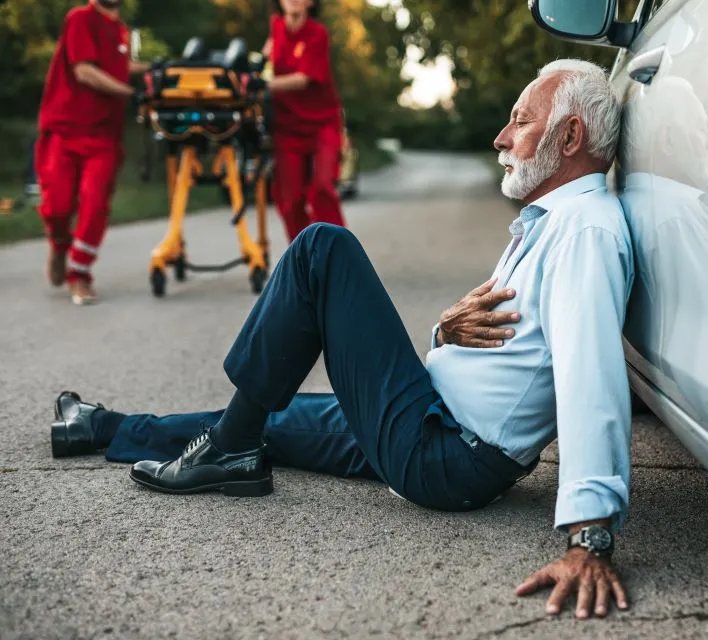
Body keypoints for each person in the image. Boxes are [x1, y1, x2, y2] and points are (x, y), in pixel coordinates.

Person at [49, 59, 633, 619]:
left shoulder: (585, 234)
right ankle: (104, 427)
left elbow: (592, 378)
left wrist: (590, 535)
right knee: (261, 421)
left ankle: (230, 451)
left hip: (446, 454)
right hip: (429, 417)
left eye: (521, 121)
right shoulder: (553, 225)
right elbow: (510, 354)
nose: (501, 138)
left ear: (570, 136)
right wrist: (443, 333)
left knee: (322, 249)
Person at [34, 0, 149, 305]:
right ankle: (59, 243)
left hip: (104, 136)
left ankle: (80, 274)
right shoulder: (81, 18)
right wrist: (130, 93)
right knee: (57, 205)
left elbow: (118, 67)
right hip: (65, 126)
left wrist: (155, 70)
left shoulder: (121, 31)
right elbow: (84, 71)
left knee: (96, 202)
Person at [261, 0, 346, 243]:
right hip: (287, 126)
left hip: (322, 124)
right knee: (289, 199)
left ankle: (336, 251)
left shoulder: (317, 33)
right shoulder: (276, 27)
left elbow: (303, 79)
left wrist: (263, 86)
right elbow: (267, 61)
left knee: (322, 189)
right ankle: (303, 256)